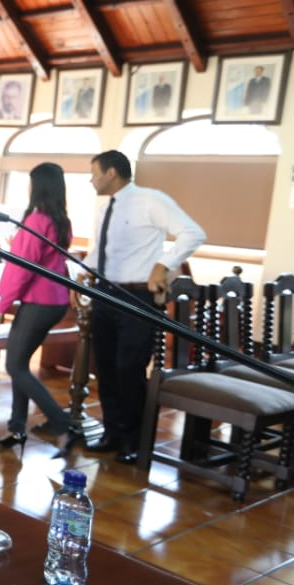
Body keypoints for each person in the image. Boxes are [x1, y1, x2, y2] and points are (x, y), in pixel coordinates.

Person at [86, 150, 205, 464]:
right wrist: (82, 273)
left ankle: (134, 440)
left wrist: (163, 264)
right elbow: (99, 251)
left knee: (129, 368)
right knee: (106, 368)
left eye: (94, 172)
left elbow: (193, 233)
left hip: (136, 297)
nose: (91, 179)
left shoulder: (151, 200)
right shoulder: (104, 209)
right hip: (104, 293)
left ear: (112, 173)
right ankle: (112, 432)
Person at [0, 163, 74, 450]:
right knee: (19, 364)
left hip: (39, 301)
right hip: (55, 301)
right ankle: (17, 429)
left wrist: (1, 305)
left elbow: (22, 268)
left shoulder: (37, 221)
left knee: (14, 365)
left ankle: (60, 421)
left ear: (39, 186)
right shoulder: (61, 220)